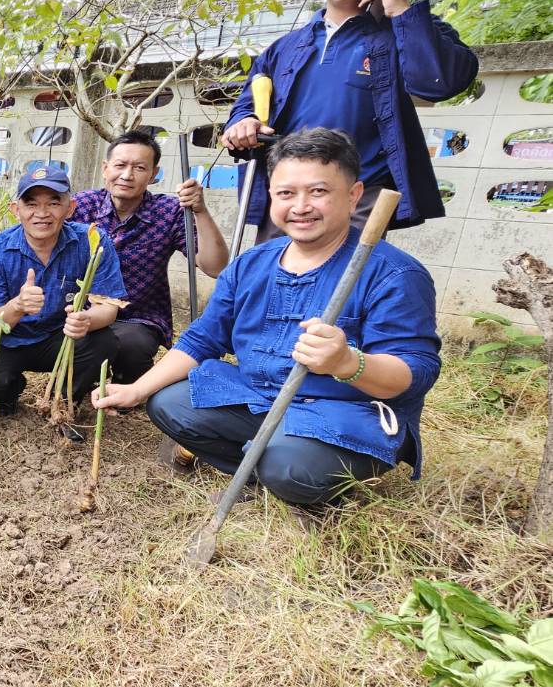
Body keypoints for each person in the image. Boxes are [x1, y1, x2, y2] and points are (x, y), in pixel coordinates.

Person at [94, 128, 441, 509]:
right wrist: (135, 390)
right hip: (261, 398)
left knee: (287, 466)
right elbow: (202, 339)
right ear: (272, 195)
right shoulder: (252, 264)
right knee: (168, 403)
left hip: (345, 413)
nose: (301, 206)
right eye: (287, 193)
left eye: (319, 191)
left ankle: (296, 472)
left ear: (353, 195)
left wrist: (349, 363)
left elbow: (415, 374)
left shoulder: (393, 273)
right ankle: (269, 465)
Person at [221, 0, 478, 241]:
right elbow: (248, 103)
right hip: (285, 190)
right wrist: (243, 122)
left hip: (360, 195)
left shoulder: (412, 30)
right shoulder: (285, 47)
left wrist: (401, 10)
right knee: (274, 282)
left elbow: (439, 83)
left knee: (342, 289)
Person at [0, 163, 126, 414]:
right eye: (31, 203)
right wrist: (17, 306)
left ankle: (61, 400)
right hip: (8, 339)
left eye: (53, 202)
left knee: (104, 342)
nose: (42, 213)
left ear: (70, 208)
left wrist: (85, 320)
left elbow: (108, 307)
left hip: (59, 336)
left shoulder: (92, 242)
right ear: (16, 210)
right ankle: (10, 388)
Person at [71, 130, 228, 382]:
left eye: (139, 167)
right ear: (105, 168)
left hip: (138, 315)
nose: (126, 175)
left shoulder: (169, 212)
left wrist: (199, 210)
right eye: (120, 165)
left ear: (154, 174)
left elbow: (215, 267)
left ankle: (128, 385)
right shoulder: (81, 205)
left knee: (131, 344)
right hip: (86, 310)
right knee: (79, 341)